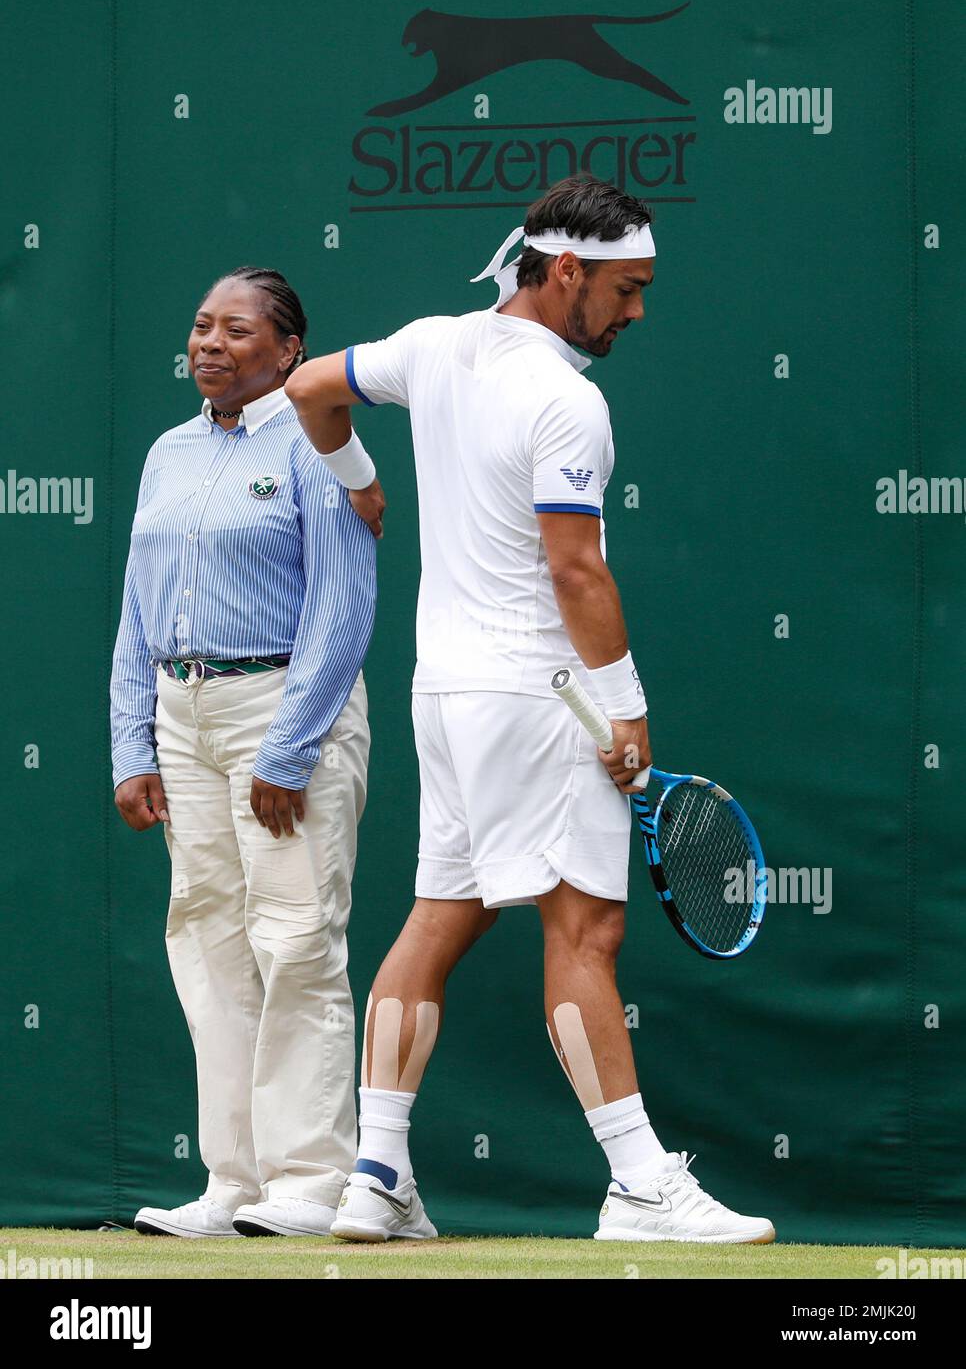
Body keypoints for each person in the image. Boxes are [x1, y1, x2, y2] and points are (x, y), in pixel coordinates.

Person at [284, 174, 775, 1244]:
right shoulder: (568, 400)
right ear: (566, 274)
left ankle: (376, 1175)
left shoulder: (431, 343)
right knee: (586, 927)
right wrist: (625, 705)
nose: (637, 312)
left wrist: (360, 480)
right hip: (538, 696)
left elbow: (308, 390)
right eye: (627, 290)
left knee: (438, 916)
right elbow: (575, 569)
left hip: (445, 695)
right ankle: (641, 1184)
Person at [110, 266, 376, 1238]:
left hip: (283, 709)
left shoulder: (319, 440)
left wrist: (292, 746)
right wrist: (129, 741)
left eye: (236, 329)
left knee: (298, 938)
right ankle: (231, 1184)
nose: (209, 343)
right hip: (183, 718)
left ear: (289, 351)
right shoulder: (166, 453)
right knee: (209, 937)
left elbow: (345, 605)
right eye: (199, 325)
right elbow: (138, 611)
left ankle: (310, 1183)